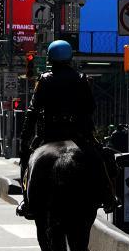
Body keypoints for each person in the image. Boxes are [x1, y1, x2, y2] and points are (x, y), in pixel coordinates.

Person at [16, 39, 116, 219]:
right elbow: (90, 108)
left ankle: (27, 202)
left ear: (50, 59)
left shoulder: (44, 80)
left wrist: (25, 139)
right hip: (78, 134)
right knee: (101, 159)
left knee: (27, 160)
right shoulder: (81, 79)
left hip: (49, 134)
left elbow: (32, 111)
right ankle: (109, 197)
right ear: (70, 58)